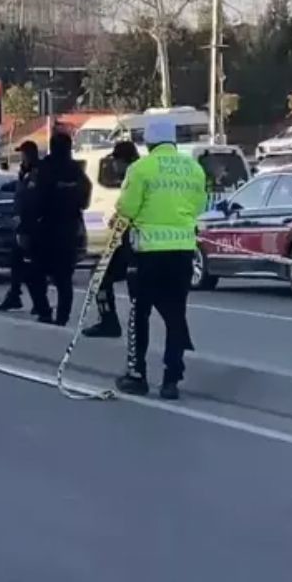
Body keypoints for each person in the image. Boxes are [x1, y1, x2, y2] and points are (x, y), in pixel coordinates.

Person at [114, 118, 207, 400]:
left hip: (147, 253)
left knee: (139, 313)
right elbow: (199, 206)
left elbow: (127, 208)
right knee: (176, 316)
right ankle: (171, 379)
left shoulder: (141, 168)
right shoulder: (194, 168)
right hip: (182, 251)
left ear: (148, 142)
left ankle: (137, 375)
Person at [22, 131, 91, 326]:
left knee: (35, 274)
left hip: (45, 230)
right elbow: (84, 200)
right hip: (68, 229)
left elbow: (32, 201)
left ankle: (45, 311)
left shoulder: (43, 169)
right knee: (63, 279)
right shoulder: (76, 171)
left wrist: (26, 228)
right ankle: (62, 317)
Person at [82, 141, 140, 338]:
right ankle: (109, 321)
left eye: (116, 160)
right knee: (100, 274)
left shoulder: (136, 176)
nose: (113, 165)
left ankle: (114, 322)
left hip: (137, 242)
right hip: (129, 240)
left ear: (124, 161)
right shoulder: (133, 176)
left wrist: (121, 218)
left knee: (111, 278)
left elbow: (132, 208)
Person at [0, 141, 43, 313]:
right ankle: (15, 295)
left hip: (32, 226)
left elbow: (32, 197)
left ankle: (39, 303)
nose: (21, 157)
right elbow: (20, 190)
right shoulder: (25, 172)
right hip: (22, 225)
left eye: (23, 154)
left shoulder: (38, 172)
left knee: (33, 265)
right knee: (17, 261)